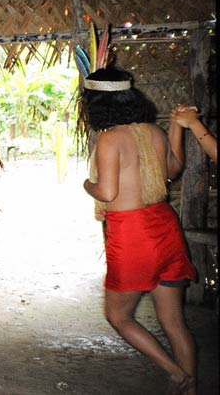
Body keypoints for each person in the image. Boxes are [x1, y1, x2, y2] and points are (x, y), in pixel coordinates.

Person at [80, 67, 197, 395]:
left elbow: (106, 192)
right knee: (174, 323)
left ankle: (176, 373)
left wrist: (86, 184)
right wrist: (174, 128)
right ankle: (190, 388)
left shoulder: (109, 138)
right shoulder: (153, 132)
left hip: (133, 235)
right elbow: (173, 170)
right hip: (164, 226)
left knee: (118, 316)